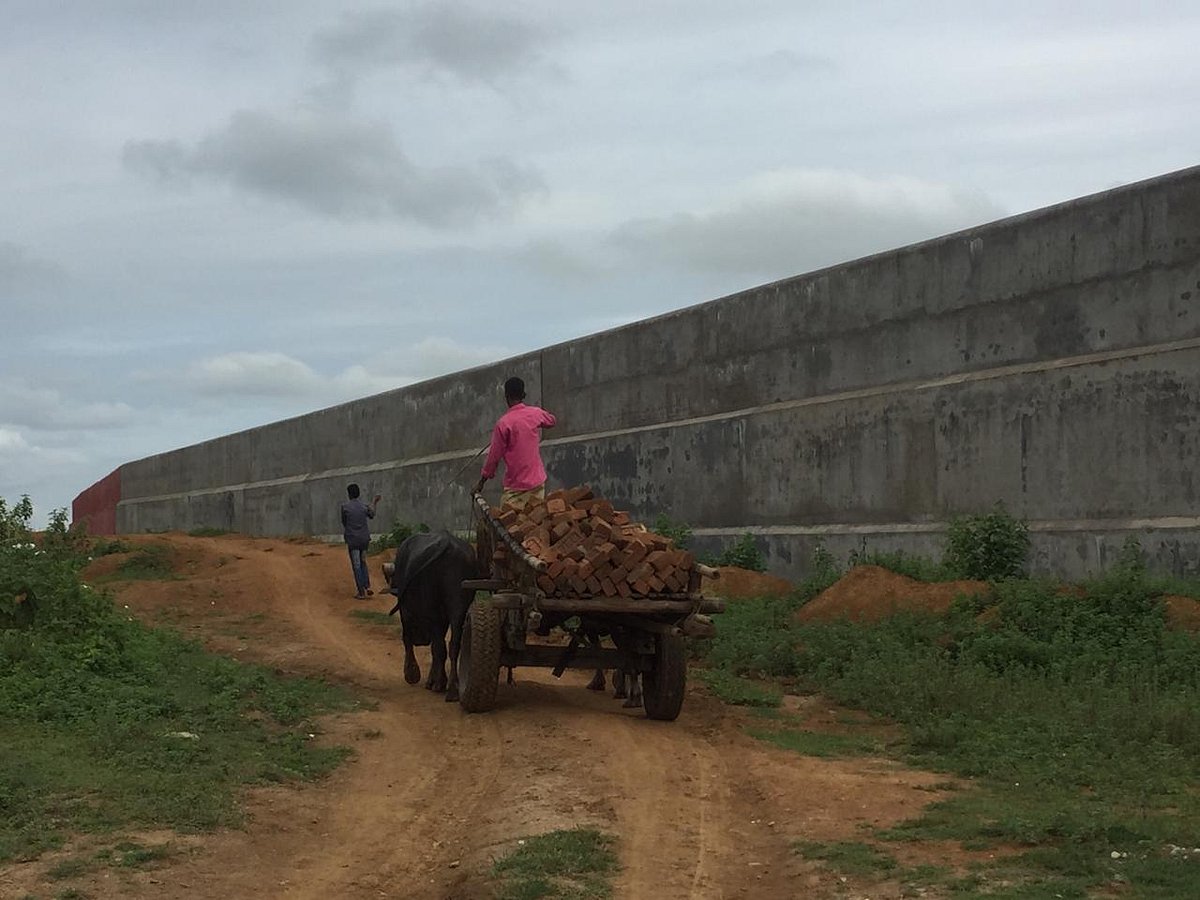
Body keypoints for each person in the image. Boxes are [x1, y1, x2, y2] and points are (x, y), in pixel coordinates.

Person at [473, 376, 556, 508]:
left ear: (506, 396)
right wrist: (536, 418)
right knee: (534, 518)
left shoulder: (503, 424)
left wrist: (481, 482)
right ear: (523, 395)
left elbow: (493, 458)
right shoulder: (535, 413)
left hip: (516, 489)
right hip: (538, 484)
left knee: (507, 519)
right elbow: (551, 421)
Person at [340, 483, 381, 599]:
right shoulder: (364, 506)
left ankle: (361, 592)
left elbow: (344, 522)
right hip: (364, 539)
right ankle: (367, 586)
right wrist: (374, 502)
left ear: (349, 494)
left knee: (356, 565)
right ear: (358, 493)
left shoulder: (345, 507)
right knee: (363, 562)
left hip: (353, 539)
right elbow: (372, 514)